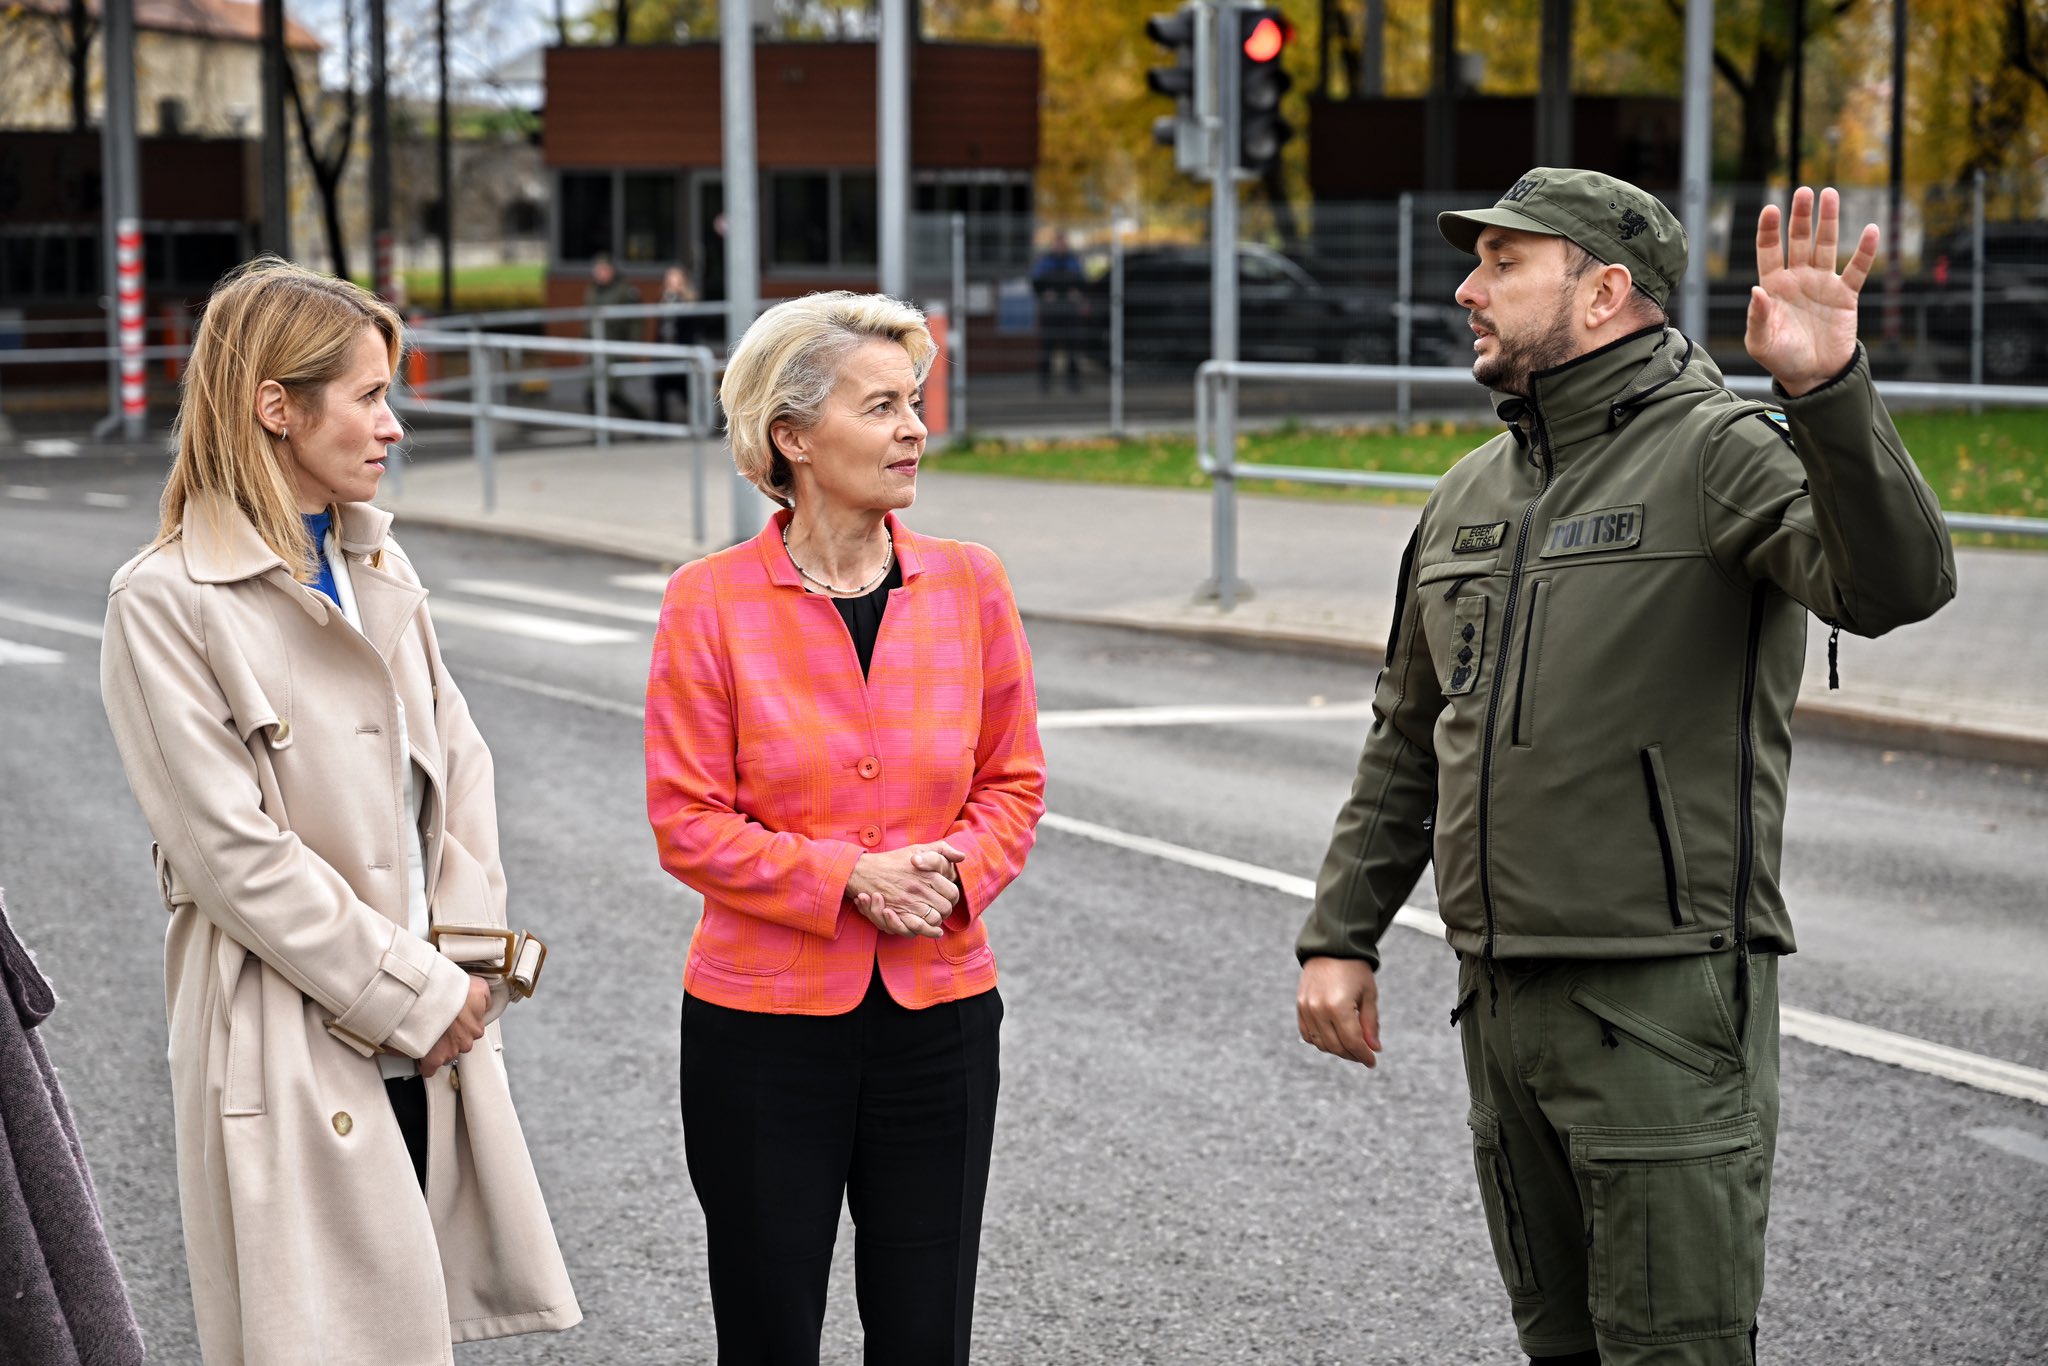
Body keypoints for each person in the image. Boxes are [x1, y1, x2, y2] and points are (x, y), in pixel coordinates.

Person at [1294, 170, 1955, 1366]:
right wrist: (1340, 932)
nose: (1466, 288)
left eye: (1504, 264)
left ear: (1603, 292)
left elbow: (1894, 585)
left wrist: (1824, 394)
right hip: (1497, 1003)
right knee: (1559, 1346)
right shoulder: (1466, 493)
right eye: (1475, 262)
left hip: (1657, 1005)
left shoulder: (1716, 452)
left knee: (1671, 1351)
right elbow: (1406, 731)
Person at [99, 258, 580, 1363]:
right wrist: (415, 992)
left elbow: (460, 768)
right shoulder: (165, 600)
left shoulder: (376, 560)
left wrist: (468, 966)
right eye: (368, 395)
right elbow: (230, 856)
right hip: (288, 1033)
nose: (393, 426)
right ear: (277, 406)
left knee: (414, 1328)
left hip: (432, 1021)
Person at [644, 290, 1046, 1365]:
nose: (915, 427)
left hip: (940, 1010)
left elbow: (1013, 779)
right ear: (792, 435)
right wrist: (849, 878)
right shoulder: (708, 602)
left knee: (925, 1332)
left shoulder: (970, 583)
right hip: (762, 1029)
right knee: (769, 1329)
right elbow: (686, 821)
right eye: (881, 407)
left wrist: (952, 874)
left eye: (913, 402)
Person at [585, 250, 645, 419]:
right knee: (590, 394)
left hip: (613, 348)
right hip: (594, 349)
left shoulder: (624, 291)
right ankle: (601, 433)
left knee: (611, 393)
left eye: (603, 269)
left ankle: (639, 421)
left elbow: (635, 321)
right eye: (597, 270)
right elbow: (588, 320)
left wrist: (632, 346)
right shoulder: (593, 291)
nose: (600, 273)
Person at [1030, 231, 1088, 393]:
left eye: (1063, 243)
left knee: (1072, 347)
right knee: (1047, 348)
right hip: (1050, 312)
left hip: (1070, 311)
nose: (1061, 246)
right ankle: (1045, 383)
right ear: (1054, 244)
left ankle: (1073, 381)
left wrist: (1077, 293)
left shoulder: (1074, 261)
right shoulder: (1045, 261)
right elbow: (1035, 282)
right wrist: (1044, 294)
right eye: (1058, 243)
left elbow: (1083, 282)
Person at [654, 263, 701, 426]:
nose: (673, 283)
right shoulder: (664, 300)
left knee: (685, 390)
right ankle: (661, 425)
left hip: (681, 350)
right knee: (660, 389)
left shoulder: (689, 301)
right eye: (670, 279)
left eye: (676, 279)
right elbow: (659, 328)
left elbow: (691, 330)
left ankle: (699, 421)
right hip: (663, 351)